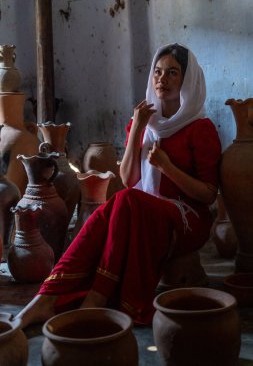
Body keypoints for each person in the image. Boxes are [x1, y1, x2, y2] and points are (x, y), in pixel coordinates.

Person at [16, 43, 221, 328]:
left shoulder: (201, 129)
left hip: (187, 217)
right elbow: (129, 179)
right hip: (144, 208)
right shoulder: (145, 122)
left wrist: (167, 168)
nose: (162, 79)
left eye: (173, 73)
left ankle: (96, 301)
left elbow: (208, 195)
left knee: (126, 201)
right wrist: (138, 126)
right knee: (108, 209)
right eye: (158, 72)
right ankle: (45, 298)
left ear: (187, 80)